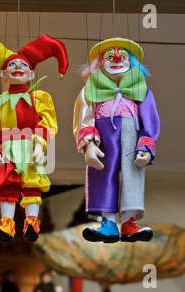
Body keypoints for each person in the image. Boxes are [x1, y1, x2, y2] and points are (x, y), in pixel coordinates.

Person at [0, 31, 68, 243]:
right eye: (12, 65)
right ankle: (7, 224)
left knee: (32, 183)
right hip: (5, 150)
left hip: (30, 147)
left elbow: (46, 121)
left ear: (31, 74)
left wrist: (39, 145)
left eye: (23, 65)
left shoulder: (39, 98)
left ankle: (31, 221)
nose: (18, 68)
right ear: (3, 76)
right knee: (7, 185)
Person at [73, 38, 160, 243]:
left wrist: (146, 145)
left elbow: (150, 120)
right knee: (102, 173)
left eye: (123, 56)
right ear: (98, 65)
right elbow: (83, 116)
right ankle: (108, 222)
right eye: (109, 56)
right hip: (102, 136)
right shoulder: (91, 92)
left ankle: (129, 222)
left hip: (133, 136)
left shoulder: (143, 93)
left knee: (133, 175)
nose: (117, 58)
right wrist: (89, 144)